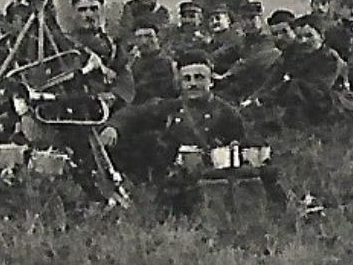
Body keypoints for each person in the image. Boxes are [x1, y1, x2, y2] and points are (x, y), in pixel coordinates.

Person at [113, 52, 287, 214]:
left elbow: (241, 145)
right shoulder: (170, 107)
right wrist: (113, 127)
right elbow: (134, 113)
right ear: (179, 83)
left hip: (210, 177)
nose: (193, 84)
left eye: (199, 78)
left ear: (211, 81)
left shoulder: (226, 112)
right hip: (173, 178)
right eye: (187, 79)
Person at [216, 3, 283, 103]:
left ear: (261, 18)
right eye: (243, 19)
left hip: (264, 87)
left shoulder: (270, 39)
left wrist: (229, 74)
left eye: (252, 18)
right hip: (243, 86)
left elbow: (254, 62)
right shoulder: (244, 40)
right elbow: (225, 53)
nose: (247, 23)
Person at [126, 21, 180, 103]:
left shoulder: (167, 62)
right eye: (139, 37)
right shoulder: (132, 62)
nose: (144, 41)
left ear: (158, 38)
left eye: (149, 36)